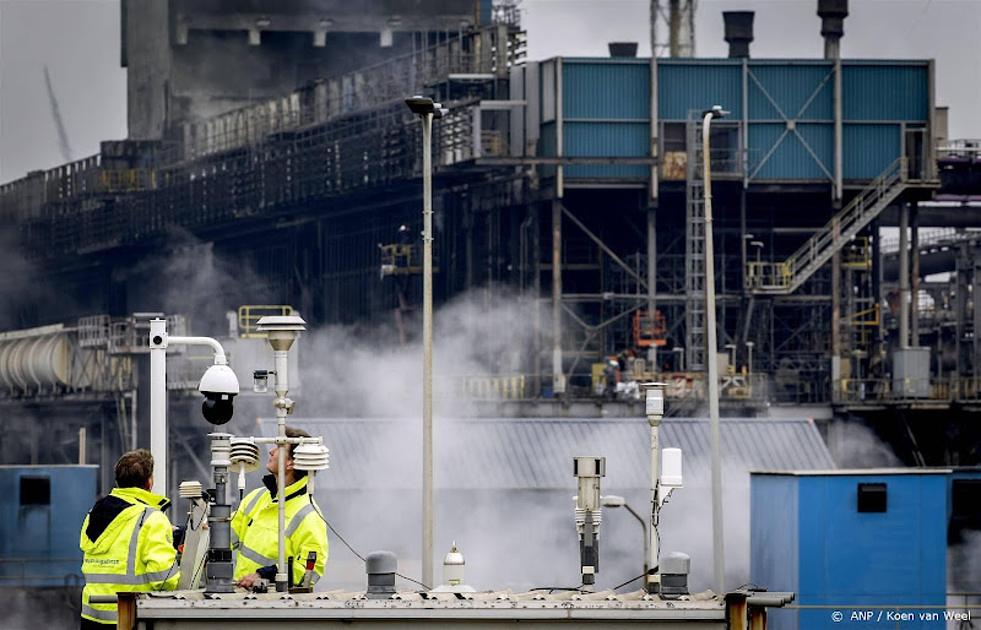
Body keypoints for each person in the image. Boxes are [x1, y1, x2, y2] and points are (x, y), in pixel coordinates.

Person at [79, 449, 179, 628]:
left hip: (91, 618)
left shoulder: (94, 513)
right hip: (129, 619)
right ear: (149, 482)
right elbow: (163, 580)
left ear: (118, 481)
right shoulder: (151, 518)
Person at [232, 427, 329, 590]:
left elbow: (310, 572)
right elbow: (227, 535)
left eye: (279, 448)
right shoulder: (256, 497)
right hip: (238, 598)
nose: (271, 451)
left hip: (275, 607)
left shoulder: (309, 515)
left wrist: (265, 575)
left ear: (291, 463)